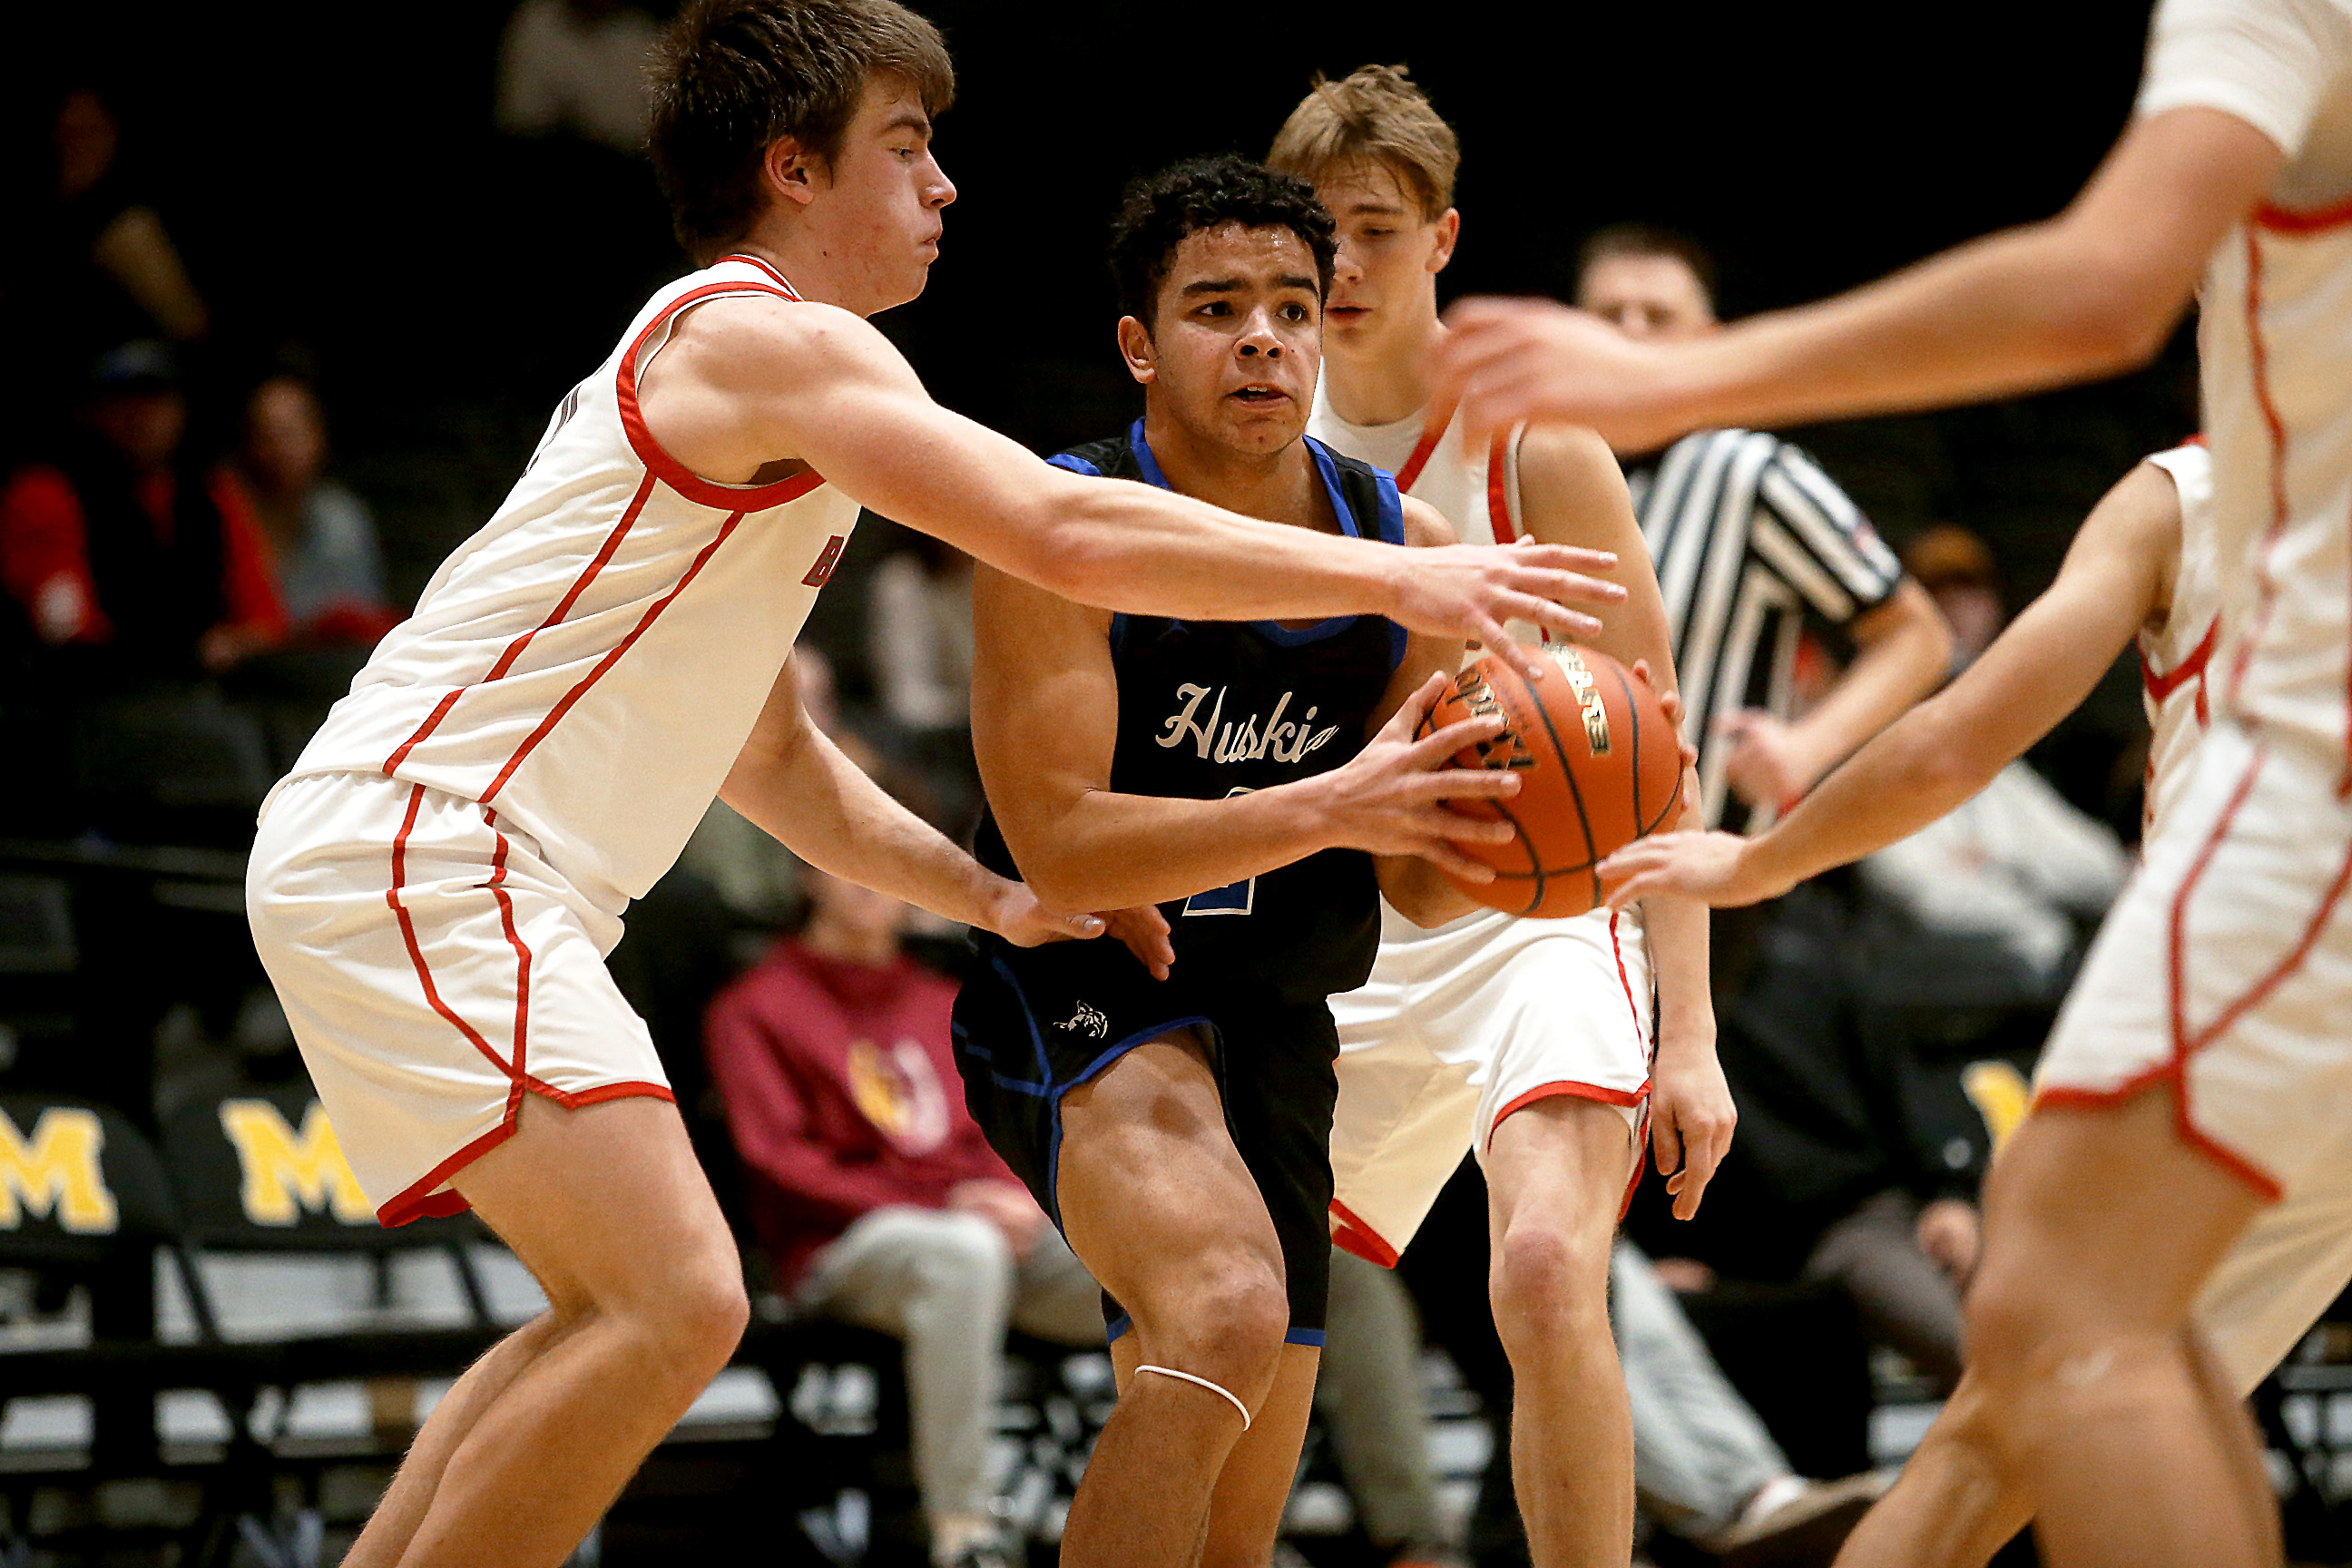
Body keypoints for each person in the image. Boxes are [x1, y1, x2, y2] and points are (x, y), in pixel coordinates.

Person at [240, 4, 1623, 1563]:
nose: (945, 185)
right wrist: (1395, 575)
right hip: (437, 840)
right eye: (906, 148)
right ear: (792, 172)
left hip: (442, 855)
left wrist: (980, 895)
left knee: (603, 1304)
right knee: (676, 1299)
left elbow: (765, 754)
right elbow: (1060, 531)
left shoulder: (765, 402)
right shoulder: (767, 336)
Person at [1438, 2, 2352, 1559]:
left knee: (2052, 1313)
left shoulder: (2177, 495)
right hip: (2235, 971)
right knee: (2038, 1396)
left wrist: (1759, 834)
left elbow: (2090, 299)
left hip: (2298, 836)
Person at [952, 153, 1540, 1568]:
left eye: (1293, 304)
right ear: (1141, 348)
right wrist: (1338, 802)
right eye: (1218, 308)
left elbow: (1411, 877)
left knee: (1233, 1527)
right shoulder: (1056, 525)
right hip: (1089, 989)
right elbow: (1064, 847)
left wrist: (1538, 828)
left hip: (1282, 1012)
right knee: (1220, 1303)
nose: (1264, 336)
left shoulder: (1412, 551)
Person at [1605, 441, 2335, 1568]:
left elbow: (1952, 744)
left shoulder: (2188, 496)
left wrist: (1758, 861)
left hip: (2283, 965)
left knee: (2025, 1374)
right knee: (2176, 1373)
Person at [1264, 66, 1728, 1568]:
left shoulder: (1541, 451)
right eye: (1315, 230)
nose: (1341, 264)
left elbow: (1659, 749)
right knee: (1237, 1312)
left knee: (1539, 1269)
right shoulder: (1259, 449)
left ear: (1442, 237)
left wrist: (1691, 1031)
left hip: (1545, 920)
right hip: (1350, 928)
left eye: (1376, 229)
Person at [705, 856, 1102, 1568]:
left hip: (983, 1237)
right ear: (807, 876)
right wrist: (949, 1203)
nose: (870, 881)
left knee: (1147, 1274)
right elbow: (779, 1163)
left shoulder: (949, 1000)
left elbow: (1002, 1130)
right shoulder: (754, 1006)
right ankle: (965, 1534)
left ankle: (1204, 1529)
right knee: (962, 1256)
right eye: (846, 863)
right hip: (842, 1246)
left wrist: (1015, 1197)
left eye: (895, 868)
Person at [1564, 225, 1955, 831]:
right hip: (1556, 853)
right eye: (1611, 313)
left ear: (1708, 342)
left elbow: (1918, 636)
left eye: (1658, 316)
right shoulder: (1536, 467)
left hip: (1706, 866)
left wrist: (1808, 747)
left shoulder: (1752, 472)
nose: (1632, 330)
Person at [0, 341, 282, 676]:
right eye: (124, 400)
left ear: (181, 410)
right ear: (92, 410)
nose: (142, 416)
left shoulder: (211, 494)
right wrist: (182, 653)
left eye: (156, 400)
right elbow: (66, 632)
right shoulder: (46, 493)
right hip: (82, 696)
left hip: (201, 694)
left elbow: (265, 620)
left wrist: (236, 643)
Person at [233, 373, 400, 648]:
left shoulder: (342, 518)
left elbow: (358, 618)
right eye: (267, 435)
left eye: (290, 432)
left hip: (326, 671)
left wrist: (265, 638)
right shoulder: (226, 512)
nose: (280, 450)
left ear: (317, 436)